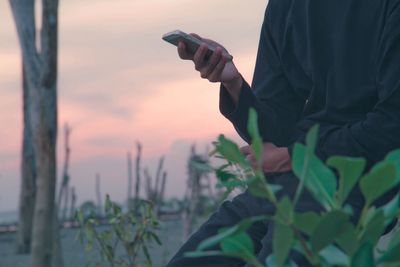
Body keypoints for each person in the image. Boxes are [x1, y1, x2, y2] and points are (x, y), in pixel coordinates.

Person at [165, 0, 400, 266]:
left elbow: (392, 125)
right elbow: (274, 130)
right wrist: (234, 83)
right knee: (193, 260)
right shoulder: (284, 6)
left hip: (357, 182)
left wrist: (296, 156)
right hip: (287, 184)